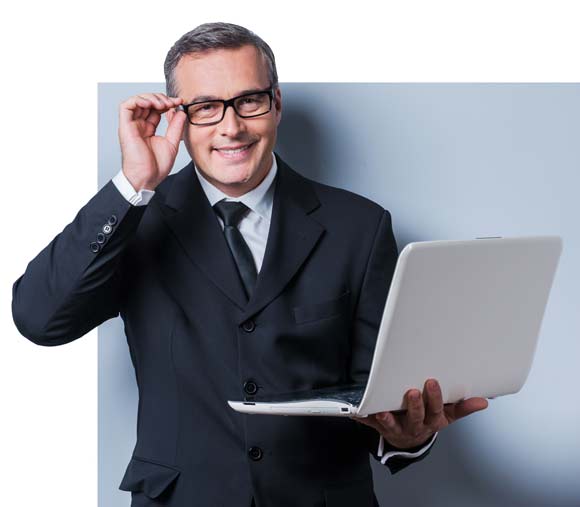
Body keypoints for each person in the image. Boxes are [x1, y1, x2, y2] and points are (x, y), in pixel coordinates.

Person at [11, 22, 488, 507]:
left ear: (275, 103)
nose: (231, 126)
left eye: (249, 101)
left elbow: (377, 395)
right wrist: (133, 182)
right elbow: (39, 318)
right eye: (205, 107)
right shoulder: (137, 221)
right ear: (179, 118)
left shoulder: (360, 227)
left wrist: (406, 436)